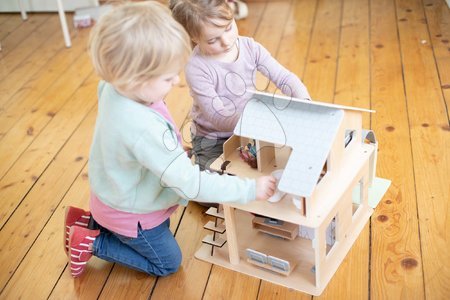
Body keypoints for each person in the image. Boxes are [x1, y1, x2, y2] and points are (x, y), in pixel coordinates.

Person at [64, 1, 276, 278]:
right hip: (132, 214)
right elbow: (190, 184)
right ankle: (93, 241)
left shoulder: (111, 86)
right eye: (167, 77)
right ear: (136, 79)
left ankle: (89, 220)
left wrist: (172, 149)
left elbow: (130, 144)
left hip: (110, 195)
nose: (177, 81)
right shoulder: (144, 128)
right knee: (168, 263)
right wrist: (249, 190)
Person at [170, 0, 311, 175]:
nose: (226, 41)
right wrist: (260, 121)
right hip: (213, 139)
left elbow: (284, 78)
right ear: (194, 38)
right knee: (212, 195)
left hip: (250, 131)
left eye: (228, 28)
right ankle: (193, 158)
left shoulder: (250, 47)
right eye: (213, 40)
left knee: (273, 170)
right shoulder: (196, 67)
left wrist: (305, 102)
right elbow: (218, 117)